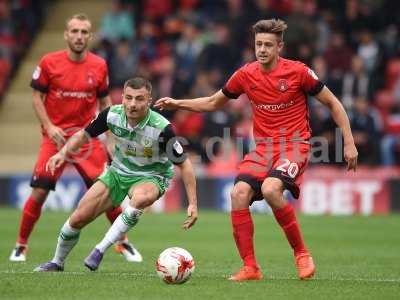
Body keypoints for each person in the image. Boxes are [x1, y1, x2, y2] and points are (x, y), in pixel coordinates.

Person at [155, 19, 358, 281]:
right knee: (238, 193)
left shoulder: (299, 72)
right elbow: (214, 102)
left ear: (279, 47)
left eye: (268, 45)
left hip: (295, 145)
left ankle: (302, 254)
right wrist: (177, 103)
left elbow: (333, 103)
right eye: (258, 44)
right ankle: (250, 267)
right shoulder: (245, 75)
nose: (262, 49)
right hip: (264, 148)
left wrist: (349, 142)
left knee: (271, 189)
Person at [10, 13, 141, 263]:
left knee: (106, 191)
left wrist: (111, 139)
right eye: (75, 31)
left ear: (90, 36)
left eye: (84, 32)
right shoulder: (49, 62)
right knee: (39, 191)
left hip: (86, 137)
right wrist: (49, 127)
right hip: (55, 137)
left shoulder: (99, 65)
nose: (79, 36)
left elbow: (105, 102)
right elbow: (36, 96)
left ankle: (122, 243)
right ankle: (21, 245)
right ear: (66, 34)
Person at [34, 77, 198, 272]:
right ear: (122, 97)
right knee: (78, 218)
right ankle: (57, 262)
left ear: (149, 100)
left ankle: (99, 250)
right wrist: (62, 154)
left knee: (140, 198)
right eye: (128, 98)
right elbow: (83, 135)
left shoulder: (162, 128)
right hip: (117, 173)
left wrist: (193, 203)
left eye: (139, 99)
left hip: (152, 176)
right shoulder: (111, 115)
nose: (132, 104)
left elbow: (185, 165)